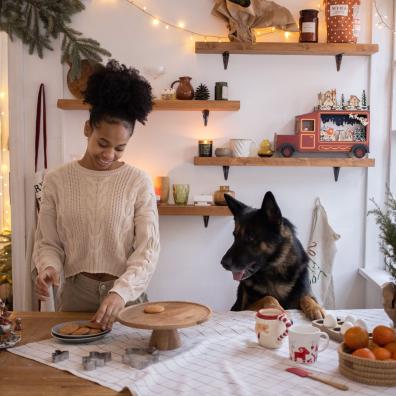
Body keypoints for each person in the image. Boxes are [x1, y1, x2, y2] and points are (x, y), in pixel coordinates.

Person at [34, 60, 160, 329]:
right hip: (76, 296)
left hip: (126, 297)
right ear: (87, 128)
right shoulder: (56, 180)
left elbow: (147, 249)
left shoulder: (138, 181)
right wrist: (48, 268)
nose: (109, 155)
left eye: (120, 148)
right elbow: (49, 242)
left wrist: (120, 292)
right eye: (103, 143)